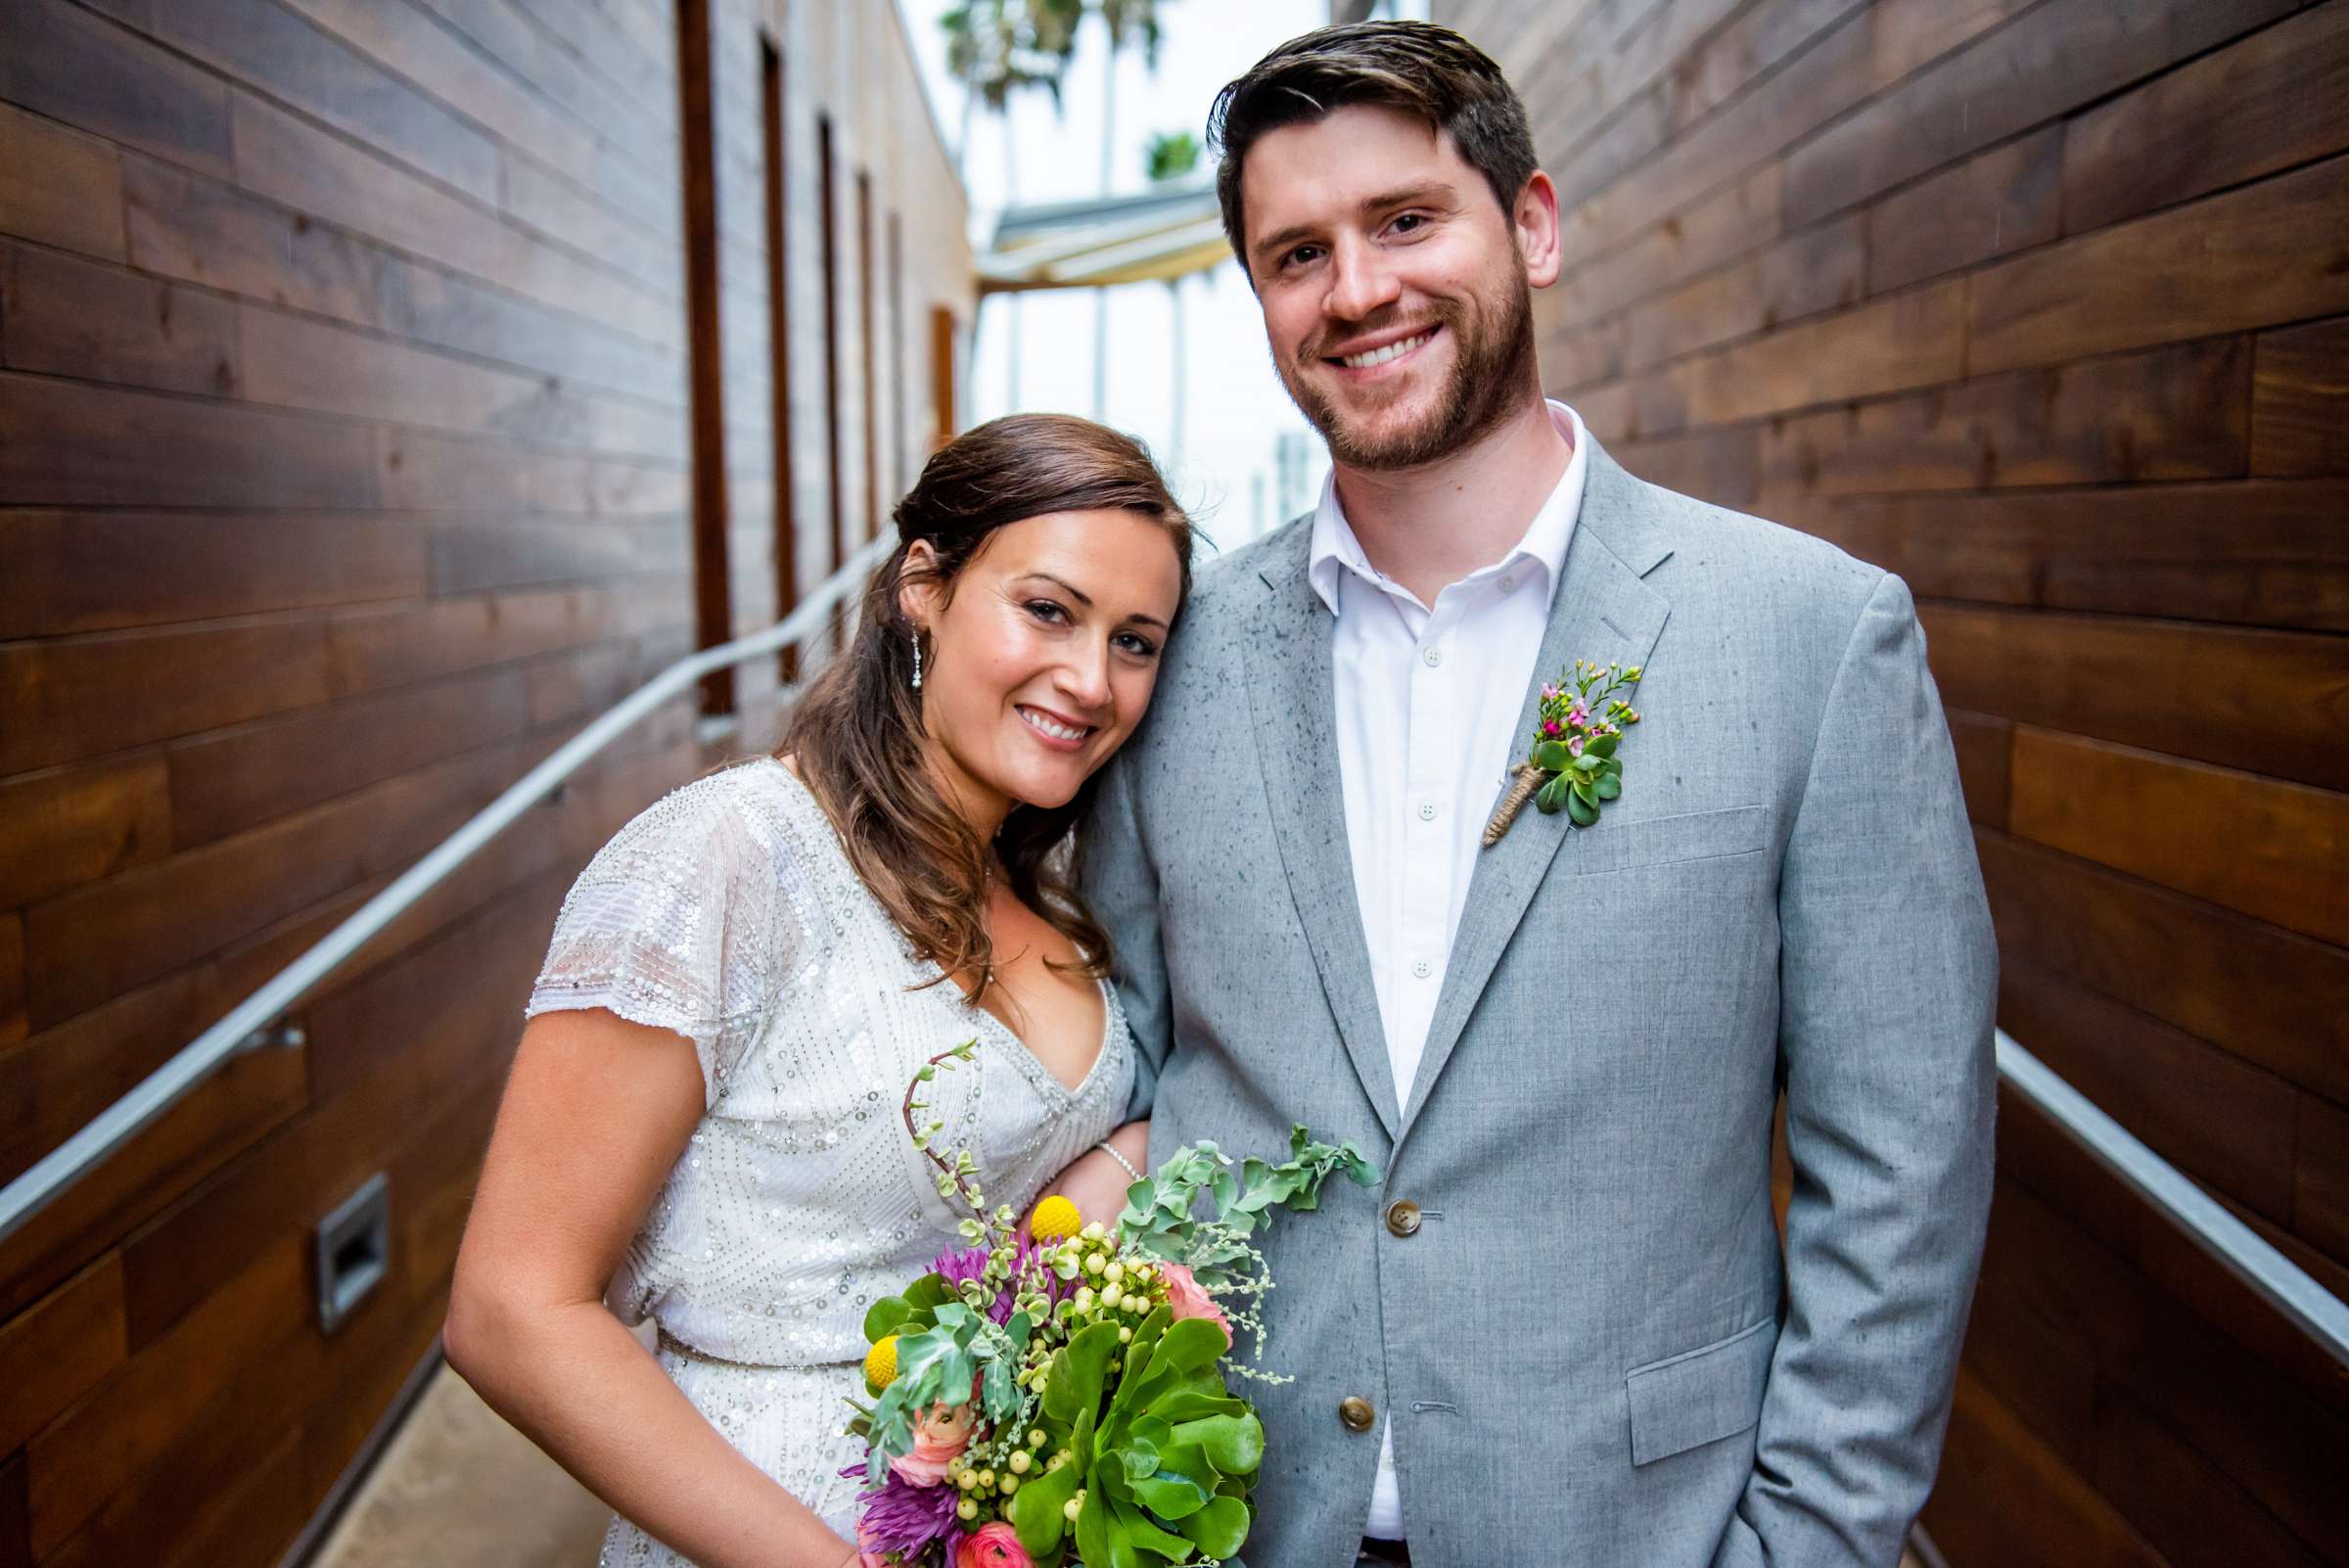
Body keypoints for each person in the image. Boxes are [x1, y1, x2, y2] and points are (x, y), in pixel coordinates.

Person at [1082, 22, 1997, 1568]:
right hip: (1234, 1525)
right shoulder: (1172, 658)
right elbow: (1124, 1069)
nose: (1357, 289)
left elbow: (1901, 1164)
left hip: (1646, 1527)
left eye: (1406, 221)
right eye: (1296, 253)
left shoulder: (1810, 632)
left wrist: (1810, 1548)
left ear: (1535, 226)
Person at [446, 414, 1189, 1568]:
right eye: (1048, 609)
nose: (1091, 680)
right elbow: (511, 1312)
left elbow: (1026, 1207)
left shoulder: (1059, 902)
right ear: (923, 587)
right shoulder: (731, 856)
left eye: (1136, 641)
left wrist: (1120, 1159)